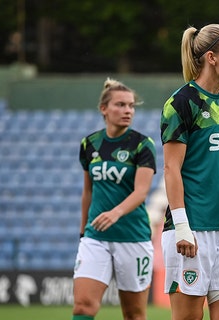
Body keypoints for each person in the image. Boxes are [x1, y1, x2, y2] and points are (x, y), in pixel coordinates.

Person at [160, 24, 219, 320]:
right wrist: (181, 226)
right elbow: (171, 168)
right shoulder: (180, 103)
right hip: (193, 227)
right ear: (212, 57)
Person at [73, 78, 157, 320]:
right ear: (104, 109)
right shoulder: (90, 143)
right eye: (120, 105)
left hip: (132, 238)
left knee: (134, 314)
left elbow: (141, 191)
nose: (128, 110)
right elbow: (88, 190)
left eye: (131, 106)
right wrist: (83, 232)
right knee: (83, 306)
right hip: (95, 237)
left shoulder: (142, 144)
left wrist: (115, 213)